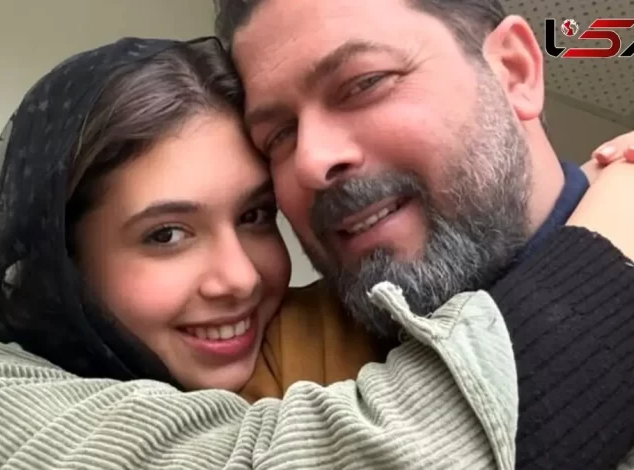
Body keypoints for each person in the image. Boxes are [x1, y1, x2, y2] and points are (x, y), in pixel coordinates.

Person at [0, 37, 632, 470]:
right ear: (61, 260)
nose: (239, 277)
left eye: (256, 216)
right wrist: (611, 237)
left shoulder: (298, 355)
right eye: (166, 234)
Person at [214, 0, 634, 467]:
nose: (311, 162)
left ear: (514, 73)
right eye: (278, 136)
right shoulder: (272, 360)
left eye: (365, 83)